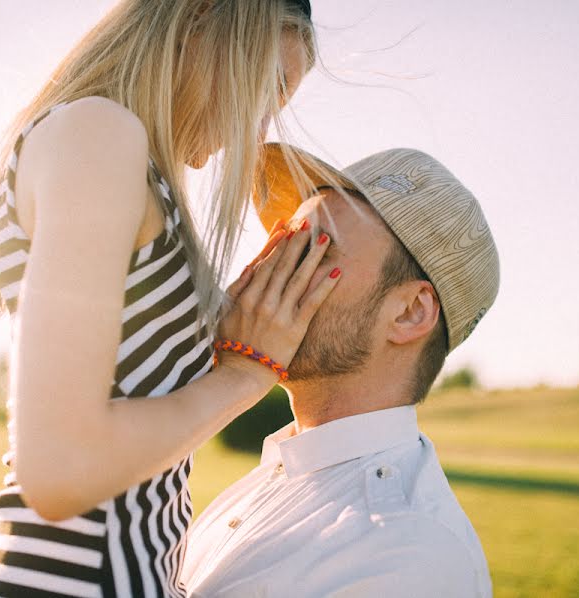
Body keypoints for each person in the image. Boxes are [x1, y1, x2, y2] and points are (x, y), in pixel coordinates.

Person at [0, 2, 346, 596]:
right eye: (268, 88)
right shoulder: (100, 133)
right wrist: (244, 373)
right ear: (200, 20)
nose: (261, 126)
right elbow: (60, 468)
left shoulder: (127, 162)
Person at [180, 143, 500, 597]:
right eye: (281, 246)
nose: (265, 271)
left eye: (313, 254)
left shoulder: (407, 555)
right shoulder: (281, 472)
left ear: (409, 312)